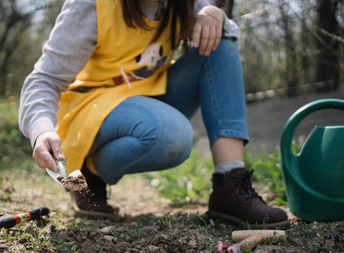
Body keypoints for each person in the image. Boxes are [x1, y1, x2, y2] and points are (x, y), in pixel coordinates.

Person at [19, 0, 290, 228]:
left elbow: (227, 34)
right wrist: (41, 129)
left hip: (149, 95)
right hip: (90, 106)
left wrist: (213, 14)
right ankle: (87, 174)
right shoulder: (92, 5)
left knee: (219, 41)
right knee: (173, 134)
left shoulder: (184, 3)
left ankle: (229, 185)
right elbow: (45, 79)